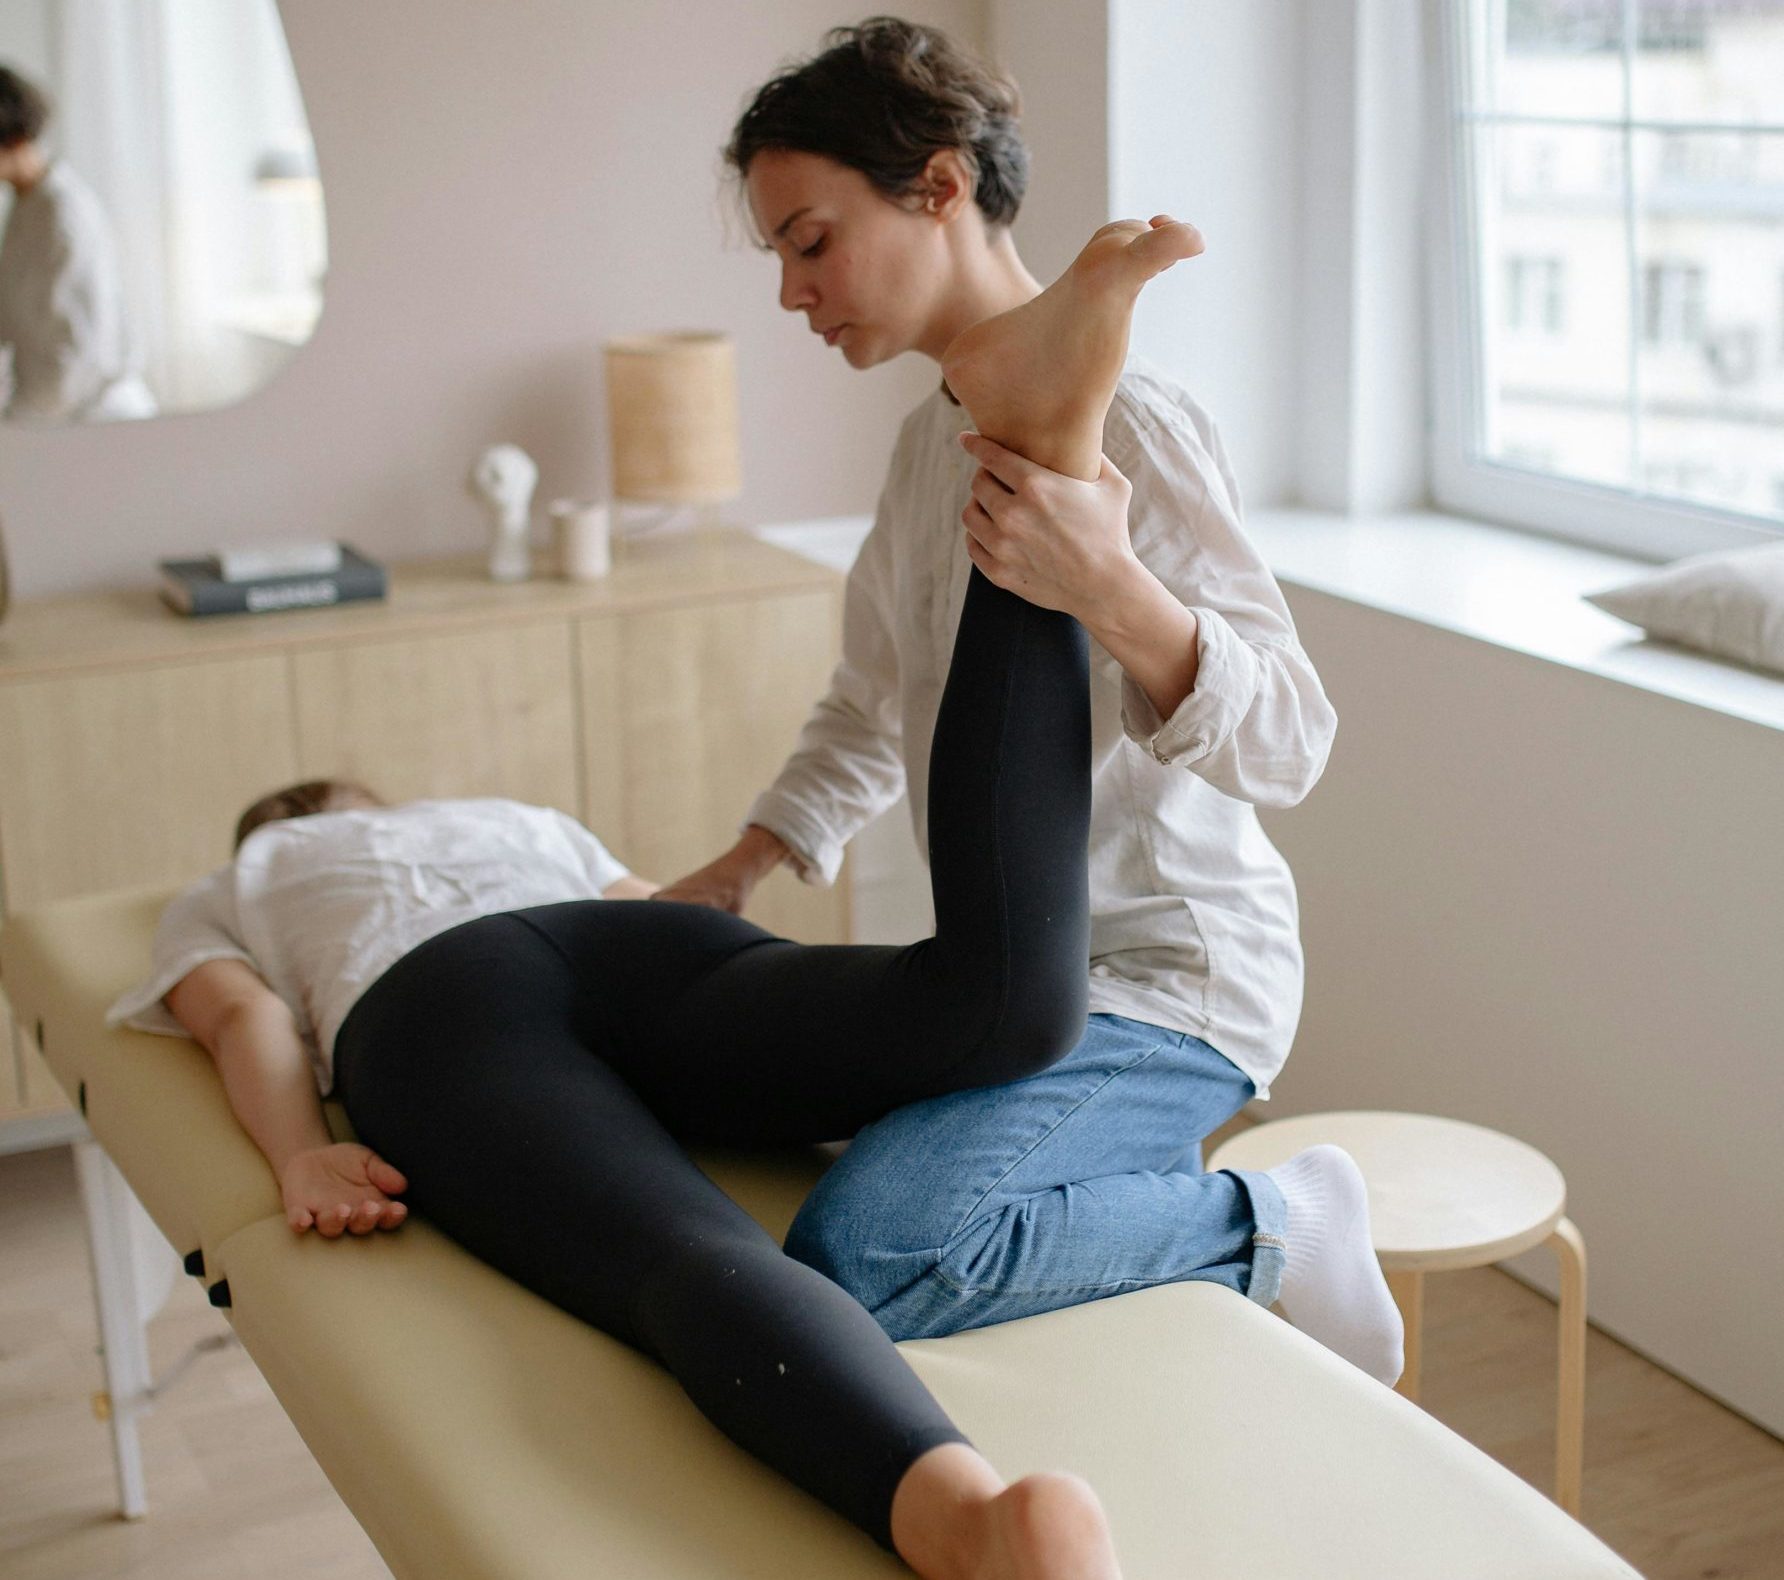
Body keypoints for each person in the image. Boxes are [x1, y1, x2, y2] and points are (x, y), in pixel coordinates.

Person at [112, 207, 1206, 1567]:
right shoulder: (505, 823)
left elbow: (246, 1023)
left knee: (684, 1257)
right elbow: (660, 911)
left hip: (437, 1011)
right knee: (982, 998)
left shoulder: (250, 874)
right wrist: (776, 1021)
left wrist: (301, 1156)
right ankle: (1050, 446)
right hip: (608, 950)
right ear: (367, 803)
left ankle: (971, 1518)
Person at [654, 17, 1405, 1388]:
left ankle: (1281, 1222)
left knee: (866, 1256)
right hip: (1000, 989)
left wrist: (1113, 586)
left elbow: (1293, 739)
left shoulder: (1136, 424)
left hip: (1172, 985)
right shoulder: (916, 455)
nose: (791, 296)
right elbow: (872, 698)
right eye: (777, 259)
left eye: (810, 242)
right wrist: (747, 862)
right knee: (693, 1100)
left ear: (939, 187)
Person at [0, 63, 156, 422]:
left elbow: (79, 355)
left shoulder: (63, 214)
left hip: (92, 420)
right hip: (49, 412)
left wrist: (17, 427)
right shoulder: (25, 205)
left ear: (15, 139)